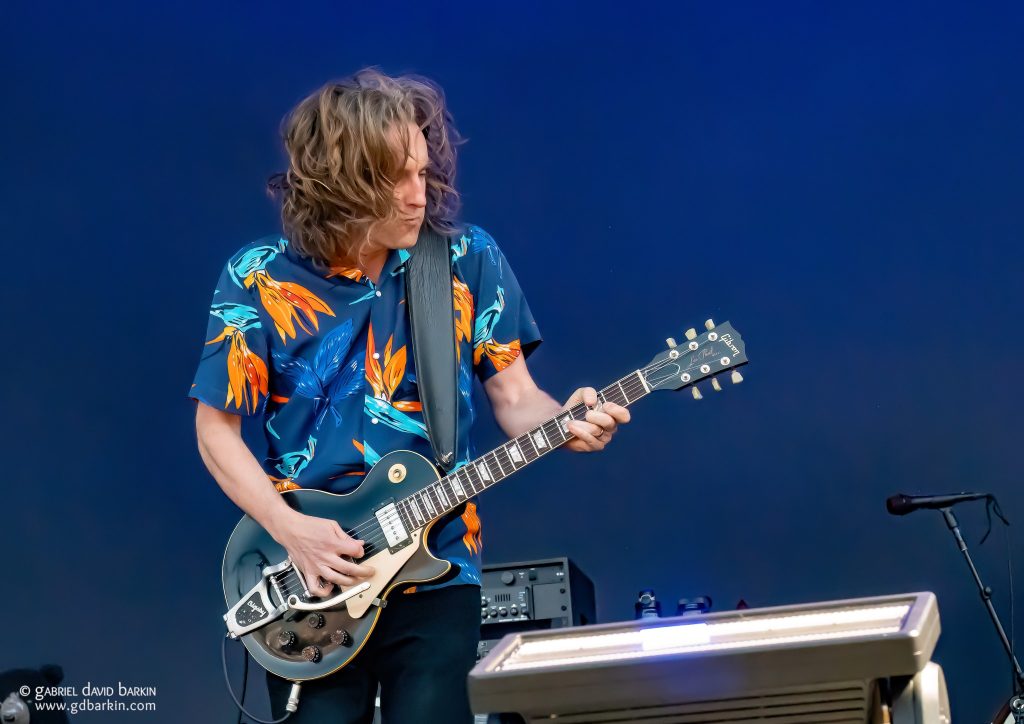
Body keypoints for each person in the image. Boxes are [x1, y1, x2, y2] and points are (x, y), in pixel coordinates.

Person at [189, 68, 631, 723]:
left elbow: (517, 398)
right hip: (311, 576)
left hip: (438, 565)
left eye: (423, 173)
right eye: (394, 178)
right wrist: (290, 530)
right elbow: (215, 430)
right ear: (340, 181)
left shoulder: (466, 260)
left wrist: (563, 418)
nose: (418, 196)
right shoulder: (257, 278)